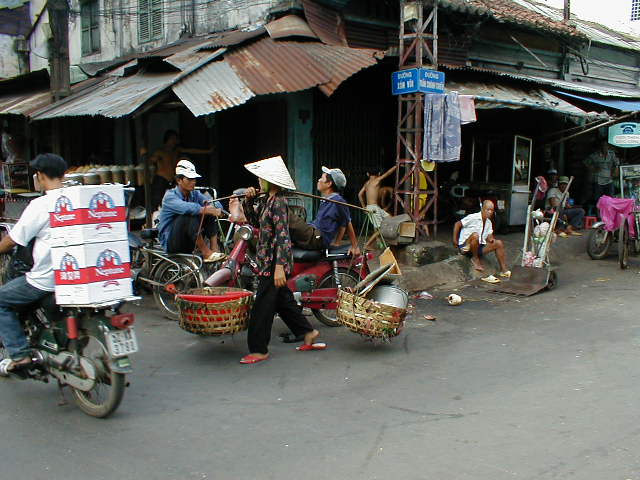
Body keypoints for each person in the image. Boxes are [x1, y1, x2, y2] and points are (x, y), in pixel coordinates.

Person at [240, 156, 324, 364]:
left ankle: (259, 349)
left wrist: (279, 268)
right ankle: (307, 332)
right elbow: (254, 221)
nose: (258, 181)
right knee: (282, 301)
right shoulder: (268, 201)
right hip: (268, 262)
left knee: (262, 307)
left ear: (271, 181)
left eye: (262, 178)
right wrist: (248, 201)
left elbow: (283, 237)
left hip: (272, 264)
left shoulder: (278, 202)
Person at [0, 153, 67, 376]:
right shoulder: (76, 199)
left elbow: (13, 240)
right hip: (75, 276)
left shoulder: (41, 204)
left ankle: (20, 355)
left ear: (39, 176)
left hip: (46, 279)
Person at [157, 159, 225, 262]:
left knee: (209, 212)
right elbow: (187, 208)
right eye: (189, 179)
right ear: (179, 180)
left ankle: (214, 249)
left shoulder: (195, 194)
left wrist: (216, 208)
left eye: (194, 179)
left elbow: (212, 202)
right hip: (172, 243)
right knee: (189, 215)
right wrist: (208, 209)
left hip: (189, 240)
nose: (193, 182)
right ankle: (206, 253)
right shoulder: (169, 197)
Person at [288, 166, 360, 255]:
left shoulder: (337, 200)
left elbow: (347, 222)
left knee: (287, 215)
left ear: (329, 183)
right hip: (313, 232)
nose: (319, 180)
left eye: (322, 178)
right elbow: (343, 223)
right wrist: (337, 242)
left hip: (317, 237)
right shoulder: (327, 199)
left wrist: (354, 246)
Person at [149, 130, 214, 213]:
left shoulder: (176, 150)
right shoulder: (160, 151)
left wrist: (207, 151)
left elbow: (191, 150)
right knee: (157, 201)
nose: (175, 141)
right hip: (161, 179)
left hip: (172, 179)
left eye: (176, 139)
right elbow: (150, 161)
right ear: (168, 139)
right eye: (173, 138)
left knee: (174, 198)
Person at [452, 200, 510, 276]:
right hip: (465, 247)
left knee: (498, 243)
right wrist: (455, 241)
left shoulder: (488, 222)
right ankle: (475, 258)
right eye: (488, 210)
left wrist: (491, 239)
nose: (490, 212)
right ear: (482, 209)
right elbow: (457, 224)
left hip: (477, 247)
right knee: (475, 235)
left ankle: (503, 270)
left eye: (492, 210)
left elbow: (489, 235)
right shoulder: (473, 217)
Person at [358, 166, 396, 249]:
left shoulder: (367, 183)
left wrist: (364, 207)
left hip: (374, 207)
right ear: (378, 174)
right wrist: (396, 166)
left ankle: (382, 241)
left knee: (392, 219)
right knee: (379, 229)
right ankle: (367, 245)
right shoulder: (377, 180)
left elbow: (360, 195)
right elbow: (388, 173)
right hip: (373, 208)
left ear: (368, 174)